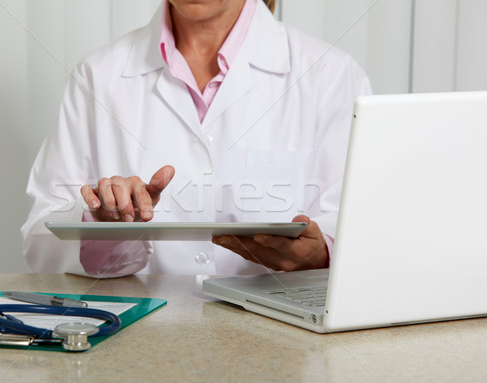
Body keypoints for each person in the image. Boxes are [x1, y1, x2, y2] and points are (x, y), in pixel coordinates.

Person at [21, 0, 372, 277]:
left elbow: (366, 233)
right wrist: (102, 227)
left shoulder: (331, 75)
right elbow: (42, 238)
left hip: (283, 349)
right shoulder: (98, 76)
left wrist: (322, 252)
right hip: (138, 347)